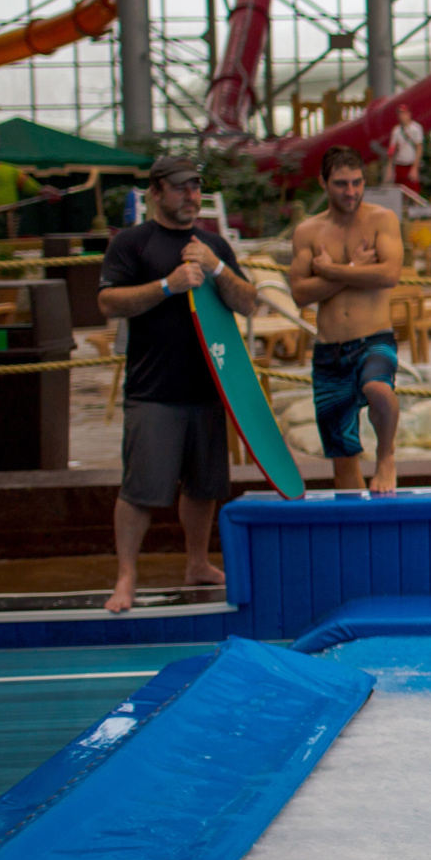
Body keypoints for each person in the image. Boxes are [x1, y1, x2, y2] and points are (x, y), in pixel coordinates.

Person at [97, 155, 256, 614]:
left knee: (204, 487)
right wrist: (167, 285)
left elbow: (249, 304)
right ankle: (126, 577)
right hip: (153, 390)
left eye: (196, 188)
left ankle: (197, 563)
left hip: (209, 388)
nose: (192, 196)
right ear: (157, 192)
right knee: (141, 489)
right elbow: (109, 302)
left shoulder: (212, 245)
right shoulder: (131, 244)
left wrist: (218, 269)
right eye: (182, 188)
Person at [287, 145, 405, 493]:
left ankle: (386, 457)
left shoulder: (382, 220)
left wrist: (332, 270)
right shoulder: (308, 232)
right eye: (341, 183)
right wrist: (354, 269)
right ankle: (357, 532)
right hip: (329, 350)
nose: (350, 191)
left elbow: (389, 274)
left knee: (378, 388)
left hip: (374, 338)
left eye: (356, 183)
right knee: (343, 455)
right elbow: (300, 293)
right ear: (323, 182)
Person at [383, 103, 425, 193]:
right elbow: (392, 149)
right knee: (399, 192)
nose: (402, 116)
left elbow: (419, 148)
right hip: (399, 164)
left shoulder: (416, 129)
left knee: (413, 192)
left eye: (404, 114)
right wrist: (390, 168)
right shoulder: (396, 130)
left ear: (409, 114)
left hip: (410, 164)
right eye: (400, 114)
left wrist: (415, 168)